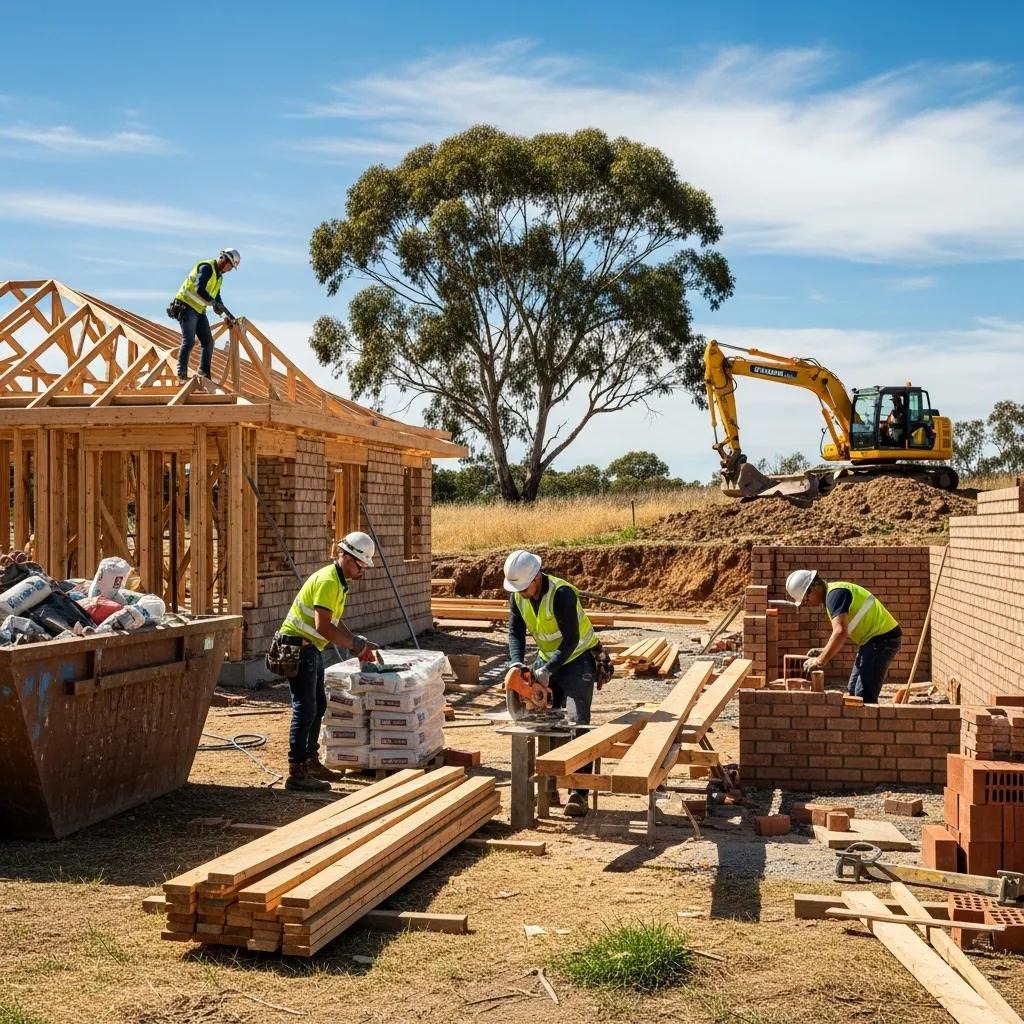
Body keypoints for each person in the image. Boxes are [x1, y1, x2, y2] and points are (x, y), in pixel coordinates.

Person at [275, 532, 379, 791]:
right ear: (346, 556)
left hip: (310, 649)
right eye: (360, 564)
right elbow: (323, 627)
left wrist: (356, 643)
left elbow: (332, 622)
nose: (362, 570)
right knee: (305, 708)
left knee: (318, 705)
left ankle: (310, 761)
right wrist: (355, 645)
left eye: (365, 566)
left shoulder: (339, 583)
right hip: (299, 648)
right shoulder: (329, 581)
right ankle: (297, 772)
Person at [504, 549, 600, 818]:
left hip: (579, 659)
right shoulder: (518, 596)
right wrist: (517, 664)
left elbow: (570, 640)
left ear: (536, 577)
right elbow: (515, 632)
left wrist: (547, 671)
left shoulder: (562, 594)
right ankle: (550, 785)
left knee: (577, 721)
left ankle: (578, 793)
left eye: (524, 587)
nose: (521, 593)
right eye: (517, 589)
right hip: (548, 660)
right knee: (546, 721)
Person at [786, 569, 903, 705]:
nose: (807, 604)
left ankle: (871, 725)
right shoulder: (833, 595)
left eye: (805, 599)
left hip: (883, 639)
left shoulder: (835, 596)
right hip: (872, 641)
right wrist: (824, 651)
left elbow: (840, 632)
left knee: (864, 697)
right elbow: (842, 631)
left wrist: (819, 661)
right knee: (853, 692)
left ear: (813, 587)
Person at [170, 248, 241, 387]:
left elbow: (217, 298)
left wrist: (227, 315)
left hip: (199, 310)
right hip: (185, 306)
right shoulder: (207, 267)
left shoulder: (219, 277)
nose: (230, 269)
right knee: (189, 341)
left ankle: (204, 372)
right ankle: (181, 372)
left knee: (208, 342)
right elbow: (199, 288)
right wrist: (213, 303)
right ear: (224, 260)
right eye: (230, 266)